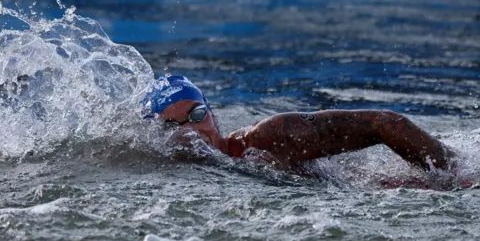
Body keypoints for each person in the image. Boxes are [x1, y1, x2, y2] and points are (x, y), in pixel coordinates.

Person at [142, 75, 457, 172]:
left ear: (214, 114)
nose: (191, 130)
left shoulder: (268, 138)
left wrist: (452, 178)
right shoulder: (158, 168)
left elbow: (385, 122)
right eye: (174, 125)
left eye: (197, 115)